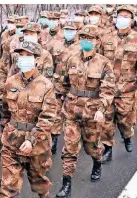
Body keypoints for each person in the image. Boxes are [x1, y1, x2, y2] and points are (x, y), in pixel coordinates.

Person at [0, 41, 57, 198]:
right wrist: (3, 129)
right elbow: (4, 110)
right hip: (12, 142)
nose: (23, 58)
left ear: (36, 59)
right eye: (20, 55)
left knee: (38, 180)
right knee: (7, 186)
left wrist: (31, 139)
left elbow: (47, 118)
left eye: (27, 55)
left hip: (36, 144)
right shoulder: (10, 82)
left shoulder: (46, 85)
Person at [55, 25, 116, 198]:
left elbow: (108, 89)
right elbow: (62, 83)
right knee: (70, 148)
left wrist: (102, 109)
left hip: (92, 112)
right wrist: (59, 101)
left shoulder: (104, 63)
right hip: (72, 112)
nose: (86, 42)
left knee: (92, 147)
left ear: (96, 42)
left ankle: (97, 162)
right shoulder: (71, 60)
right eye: (83, 39)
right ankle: (66, 183)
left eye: (90, 39)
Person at [99, 5, 137, 162]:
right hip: (107, 88)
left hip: (127, 89)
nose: (122, 19)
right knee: (107, 120)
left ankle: (127, 136)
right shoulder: (106, 37)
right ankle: (108, 148)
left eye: (126, 16)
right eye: (120, 15)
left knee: (125, 120)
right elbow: (99, 61)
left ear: (132, 20)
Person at [50, 20, 81, 154]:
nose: (69, 32)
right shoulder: (57, 44)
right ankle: (54, 141)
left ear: (76, 32)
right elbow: (50, 63)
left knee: (71, 117)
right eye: (67, 29)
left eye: (72, 30)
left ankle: (72, 146)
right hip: (57, 86)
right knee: (55, 115)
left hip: (74, 89)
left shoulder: (81, 47)